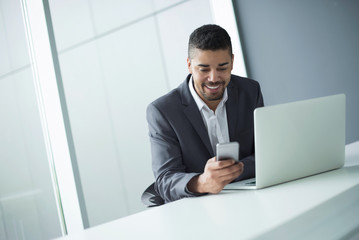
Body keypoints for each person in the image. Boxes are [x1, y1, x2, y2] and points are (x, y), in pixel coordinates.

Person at [146, 24, 264, 203]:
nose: (214, 78)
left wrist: (236, 170)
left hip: (250, 197)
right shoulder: (163, 111)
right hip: (199, 209)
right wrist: (201, 182)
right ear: (189, 65)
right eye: (204, 69)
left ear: (232, 62)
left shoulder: (250, 91)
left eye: (222, 68)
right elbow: (164, 180)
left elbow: (265, 153)